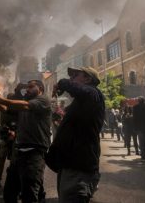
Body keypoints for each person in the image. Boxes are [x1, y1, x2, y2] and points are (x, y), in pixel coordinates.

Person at [0, 80, 51, 203]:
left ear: (40, 88)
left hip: (34, 153)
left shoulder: (43, 100)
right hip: (18, 153)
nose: (27, 89)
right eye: (26, 87)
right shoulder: (24, 104)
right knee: (9, 193)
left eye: (31, 87)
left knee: (29, 195)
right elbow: (6, 109)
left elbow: (18, 104)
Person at [49, 66, 105, 202]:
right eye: (70, 76)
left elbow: (78, 89)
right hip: (70, 164)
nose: (71, 78)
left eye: (75, 75)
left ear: (88, 79)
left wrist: (61, 82)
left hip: (79, 167)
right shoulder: (81, 101)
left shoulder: (93, 93)